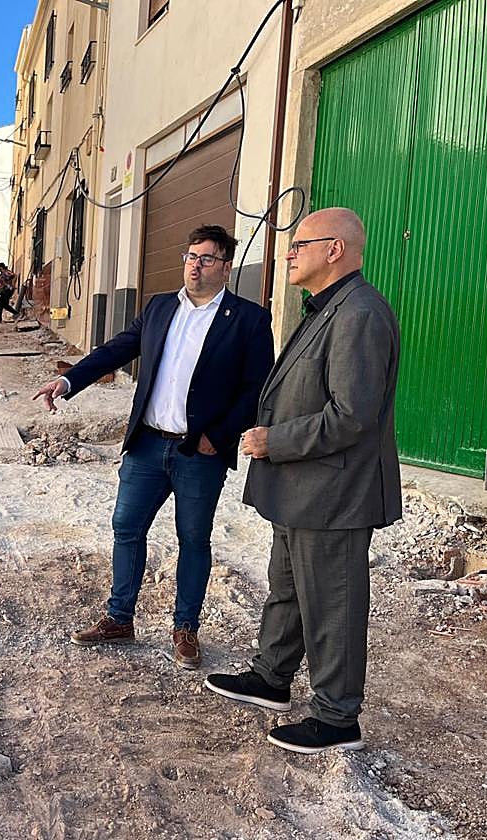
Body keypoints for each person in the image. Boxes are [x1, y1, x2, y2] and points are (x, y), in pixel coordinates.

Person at [204, 207, 401, 755]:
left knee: (332, 603)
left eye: (298, 244)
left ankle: (337, 717)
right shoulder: (327, 309)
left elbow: (352, 416)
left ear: (334, 249)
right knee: (288, 590)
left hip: (333, 492)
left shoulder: (359, 313)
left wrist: (276, 440)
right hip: (303, 489)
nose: (288, 253)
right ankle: (271, 677)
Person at [34, 225, 274, 668]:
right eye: (190, 255)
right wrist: (69, 381)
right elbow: (115, 351)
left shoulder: (249, 320)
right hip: (147, 444)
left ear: (225, 267)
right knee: (126, 527)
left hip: (197, 453)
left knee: (193, 539)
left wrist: (214, 438)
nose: (194, 265)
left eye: (205, 258)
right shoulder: (161, 307)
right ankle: (119, 617)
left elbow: (255, 390)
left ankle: (185, 629)